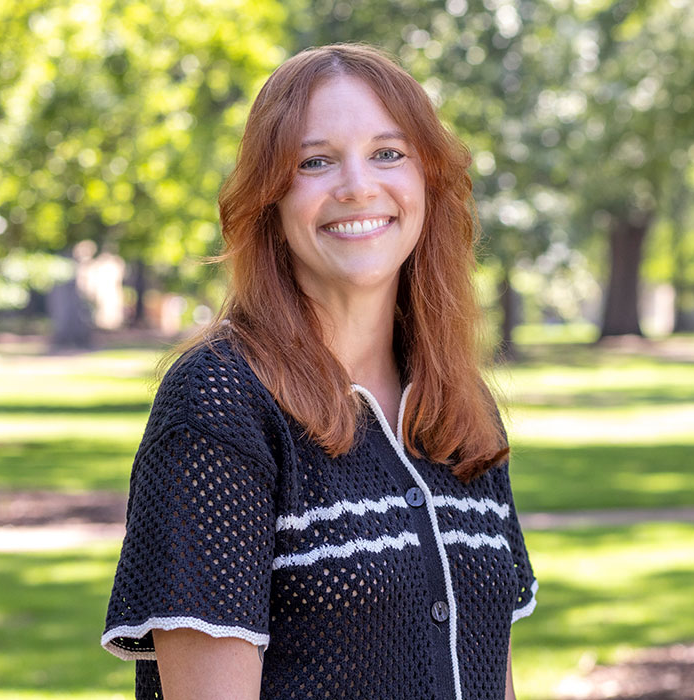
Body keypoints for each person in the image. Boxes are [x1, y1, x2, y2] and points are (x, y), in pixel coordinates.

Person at [100, 43, 538, 700]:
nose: (358, 185)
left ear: (428, 182)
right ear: (269, 197)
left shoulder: (459, 405)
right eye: (315, 161)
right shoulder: (218, 404)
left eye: (388, 153)